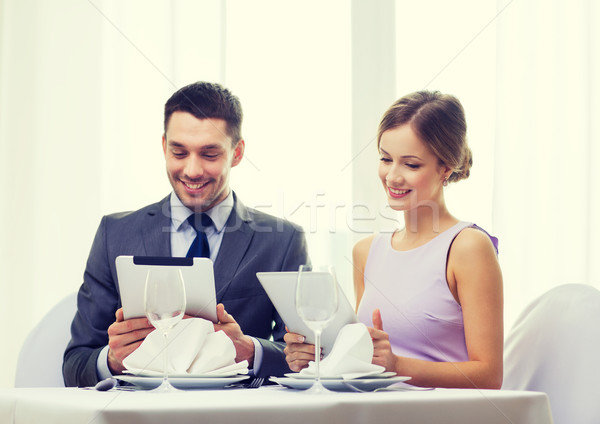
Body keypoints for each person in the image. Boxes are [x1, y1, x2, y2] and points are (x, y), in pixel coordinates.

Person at [63, 81, 309, 387]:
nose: (192, 170)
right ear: (164, 146)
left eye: (209, 154)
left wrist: (252, 351)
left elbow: (309, 358)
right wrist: (111, 360)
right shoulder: (115, 234)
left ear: (237, 152)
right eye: (179, 152)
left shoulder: (282, 241)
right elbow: (75, 364)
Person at [284, 91, 503, 389]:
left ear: (445, 168)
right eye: (386, 159)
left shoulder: (468, 247)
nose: (392, 176)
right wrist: (314, 357)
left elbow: (489, 376)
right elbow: (365, 357)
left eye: (411, 165)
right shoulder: (366, 251)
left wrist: (398, 366)